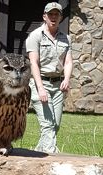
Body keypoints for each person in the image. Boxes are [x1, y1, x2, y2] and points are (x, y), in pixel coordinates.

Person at [25, 2, 73, 153]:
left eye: (56, 14)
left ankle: (39, 152)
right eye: (50, 14)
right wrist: (40, 89)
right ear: (44, 16)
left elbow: (68, 61)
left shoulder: (66, 38)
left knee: (55, 125)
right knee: (48, 125)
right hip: (41, 84)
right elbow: (34, 63)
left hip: (58, 86)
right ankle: (52, 156)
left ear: (61, 17)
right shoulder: (35, 36)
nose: (53, 17)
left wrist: (66, 79)